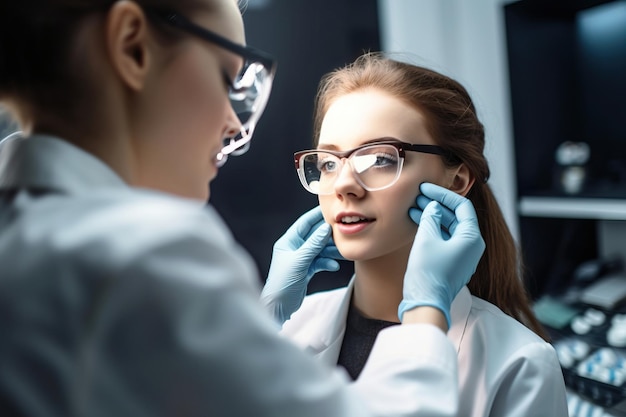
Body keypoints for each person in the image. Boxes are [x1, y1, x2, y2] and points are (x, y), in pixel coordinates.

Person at [0, 2, 486, 416]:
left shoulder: (27, 222)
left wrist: (258, 318)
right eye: (226, 77)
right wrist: (426, 309)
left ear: (455, 178)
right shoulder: (142, 250)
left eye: (379, 159)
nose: (235, 125)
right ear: (133, 47)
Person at [261, 53, 569, 417]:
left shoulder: (520, 365)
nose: (344, 185)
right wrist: (264, 319)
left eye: (379, 159)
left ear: (456, 182)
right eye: (329, 163)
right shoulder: (285, 331)